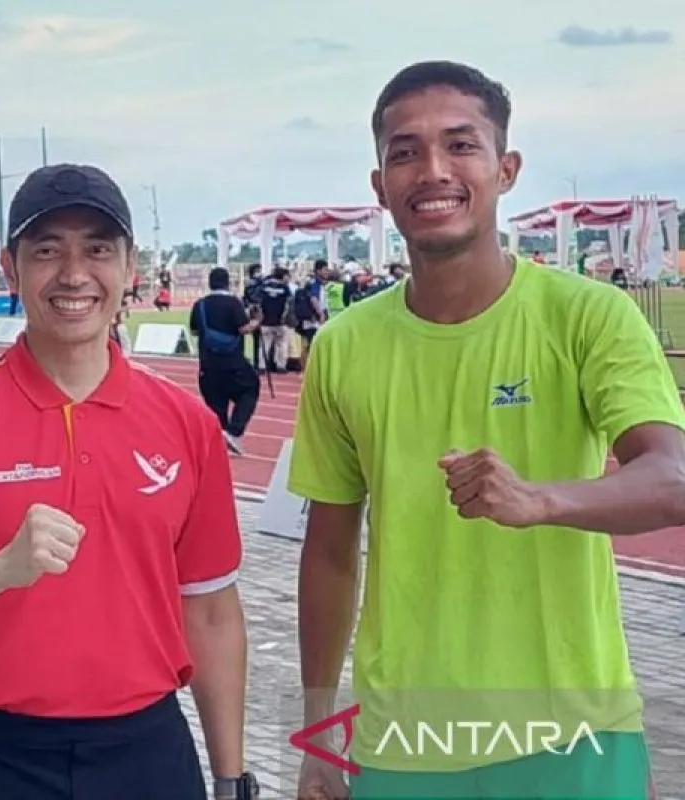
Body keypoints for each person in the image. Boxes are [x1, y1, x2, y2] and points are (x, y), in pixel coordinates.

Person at [289, 60, 685, 800]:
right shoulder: (344, 345)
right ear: (380, 185)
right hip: (404, 743)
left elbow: (672, 480)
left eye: (461, 144)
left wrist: (542, 499)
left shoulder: (588, 315)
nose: (433, 171)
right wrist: (319, 733)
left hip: (573, 735)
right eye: (405, 152)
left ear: (506, 169)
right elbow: (330, 552)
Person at [0, 163, 257, 800]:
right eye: (47, 251)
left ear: (131, 267)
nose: (74, 275)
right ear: (10, 268)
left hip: (146, 756)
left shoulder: (186, 423)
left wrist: (231, 777)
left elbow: (212, 614)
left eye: (97, 250)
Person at [190, 266, 262, 456]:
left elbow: (195, 331)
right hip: (233, 362)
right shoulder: (233, 303)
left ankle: (221, 440)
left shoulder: (200, 305)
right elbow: (243, 328)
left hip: (208, 364)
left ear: (210, 283)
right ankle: (234, 431)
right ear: (227, 282)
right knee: (250, 388)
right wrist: (256, 322)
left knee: (216, 404)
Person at [257, 265, 293, 373]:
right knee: (281, 345)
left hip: (265, 320)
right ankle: (280, 366)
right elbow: (288, 304)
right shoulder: (285, 288)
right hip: (280, 321)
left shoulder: (264, 286)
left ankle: (262, 366)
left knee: (265, 345)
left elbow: (258, 302)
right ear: (283, 276)